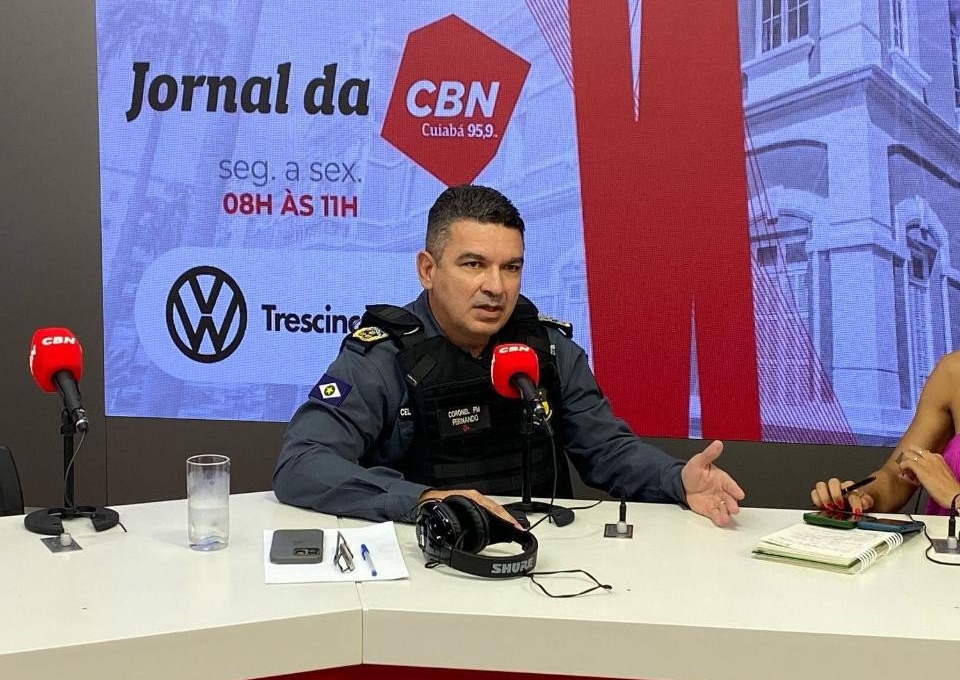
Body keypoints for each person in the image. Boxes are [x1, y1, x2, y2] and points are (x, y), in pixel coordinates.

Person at [274, 184, 744, 527]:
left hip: (545, 560)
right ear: (428, 269)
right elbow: (301, 463)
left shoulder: (548, 348)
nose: (496, 287)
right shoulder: (383, 357)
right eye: (473, 264)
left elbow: (606, 450)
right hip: (426, 562)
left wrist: (675, 479)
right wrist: (425, 500)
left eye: (511, 267)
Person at [811, 352, 960, 515]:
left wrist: (955, 498)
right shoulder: (953, 370)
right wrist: (860, 498)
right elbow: (896, 476)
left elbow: (951, 494)